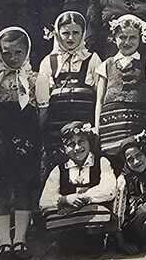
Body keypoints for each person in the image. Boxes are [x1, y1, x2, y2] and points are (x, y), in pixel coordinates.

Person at [0, 26, 40, 260]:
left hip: (25, 137)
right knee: (0, 188)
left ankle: (20, 239)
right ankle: (3, 242)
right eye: (7, 53)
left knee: (22, 186)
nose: (12, 58)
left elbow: (40, 110)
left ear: (27, 51)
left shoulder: (32, 78)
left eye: (18, 52)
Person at [35, 10, 102, 175]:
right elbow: (43, 102)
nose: (70, 38)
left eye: (75, 33)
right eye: (65, 33)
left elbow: (99, 95)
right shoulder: (48, 62)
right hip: (56, 131)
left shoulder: (92, 59)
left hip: (84, 129)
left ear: (83, 33)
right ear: (58, 34)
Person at [39, 122, 118, 251]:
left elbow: (109, 189)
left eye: (81, 142)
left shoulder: (101, 162)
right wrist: (66, 200)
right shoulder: (59, 169)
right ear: (64, 149)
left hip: (95, 229)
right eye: (70, 144)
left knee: (100, 211)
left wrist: (82, 198)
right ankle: (68, 242)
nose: (77, 148)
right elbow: (44, 201)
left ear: (89, 142)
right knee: (52, 215)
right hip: (68, 232)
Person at [94, 14, 146, 161]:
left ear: (140, 39)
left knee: (136, 159)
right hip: (110, 127)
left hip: (137, 125)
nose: (127, 42)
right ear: (114, 38)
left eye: (132, 37)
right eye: (122, 37)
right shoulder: (106, 65)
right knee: (112, 163)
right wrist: (97, 129)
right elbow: (99, 101)